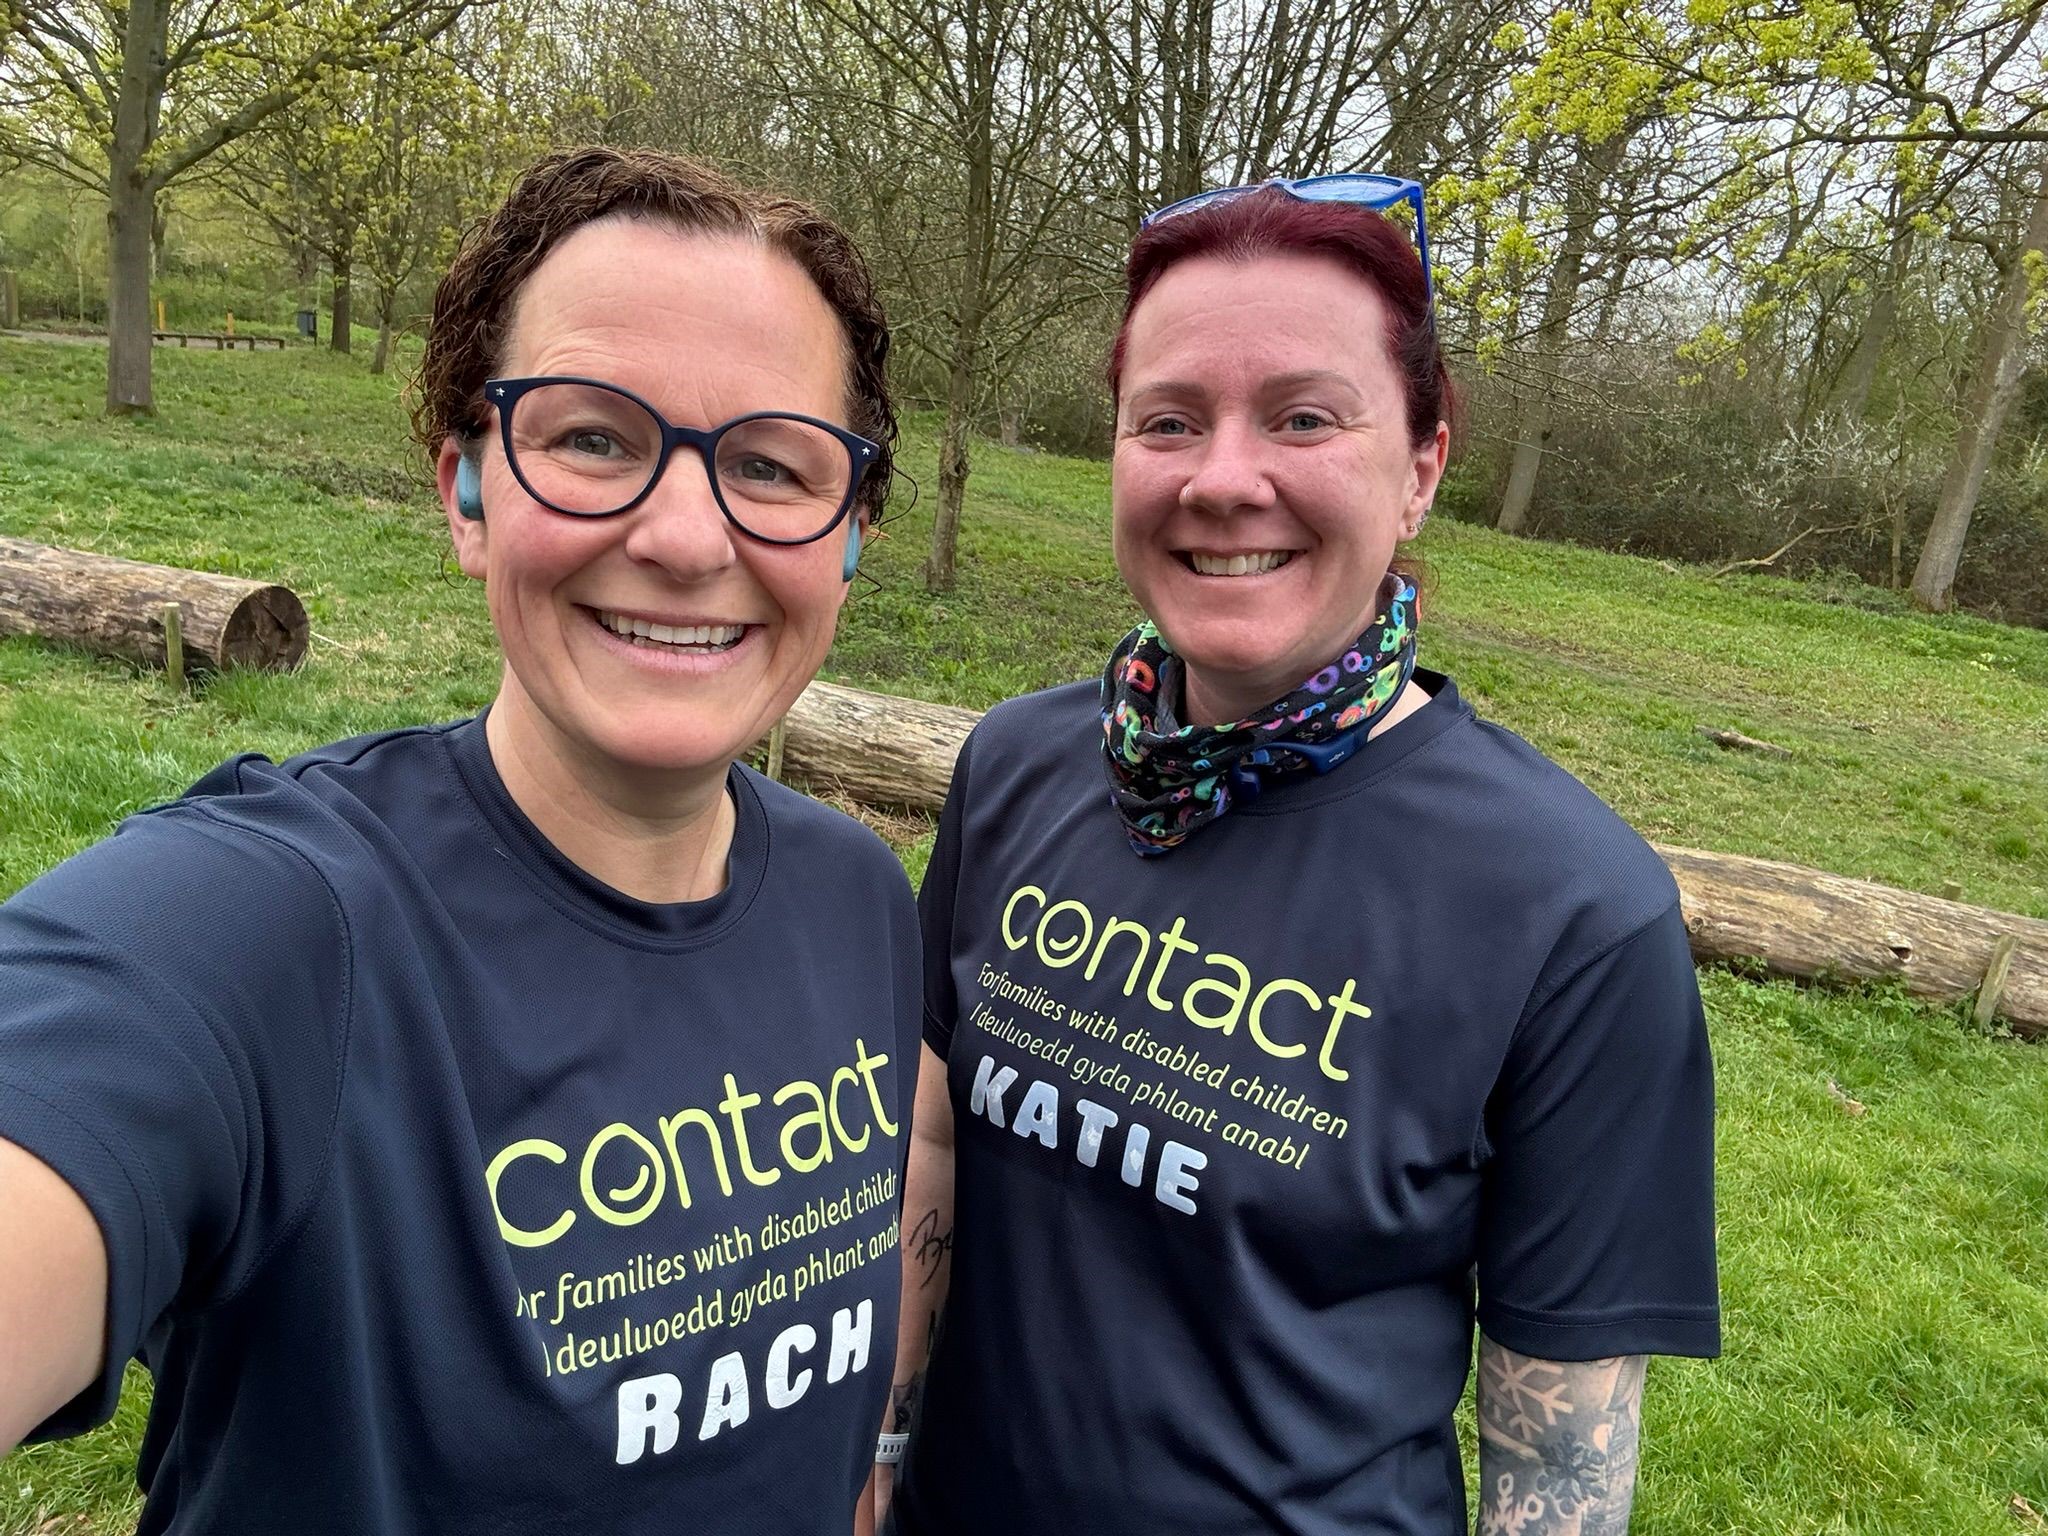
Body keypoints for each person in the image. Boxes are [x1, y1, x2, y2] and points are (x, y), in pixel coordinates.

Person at [0, 147, 921, 1534]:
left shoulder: (860, 898)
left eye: (773, 466)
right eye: (594, 438)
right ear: (467, 491)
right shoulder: (272, 931)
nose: (683, 534)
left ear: (848, 537)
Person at [879, 177, 1720, 1536]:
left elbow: (1559, 1466)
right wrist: (878, 1447)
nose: (1222, 477)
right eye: (1168, 420)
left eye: (1304, 417)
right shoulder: (1015, 769)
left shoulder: (1573, 914)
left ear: (1424, 466)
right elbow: (931, 1133)